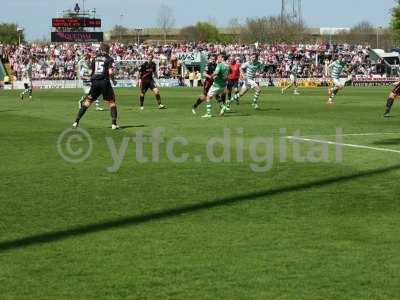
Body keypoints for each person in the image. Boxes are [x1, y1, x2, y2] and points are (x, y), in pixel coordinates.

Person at [72, 43, 119, 130]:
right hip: (104, 82)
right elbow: (110, 72)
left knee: (88, 102)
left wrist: (87, 77)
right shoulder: (109, 59)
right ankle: (114, 124)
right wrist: (113, 80)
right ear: (107, 50)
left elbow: (90, 72)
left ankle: (76, 121)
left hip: (95, 82)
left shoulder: (95, 58)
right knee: (111, 102)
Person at [202, 53, 229, 118]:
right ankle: (223, 106)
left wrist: (212, 76)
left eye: (218, 58)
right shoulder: (228, 66)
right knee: (217, 96)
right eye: (213, 59)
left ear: (222, 58)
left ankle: (208, 113)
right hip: (223, 85)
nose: (217, 59)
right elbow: (226, 76)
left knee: (208, 97)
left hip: (216, 84)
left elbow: (216, 73)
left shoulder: (219, 65)